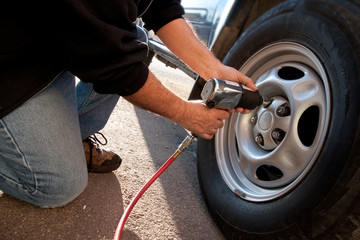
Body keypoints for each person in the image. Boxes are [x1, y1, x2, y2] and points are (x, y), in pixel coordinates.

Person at [0, 0, 257, 208]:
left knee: (135, 37)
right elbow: (114, 63)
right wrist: (184, 113)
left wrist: (214, 69)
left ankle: (62, 139)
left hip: (54, 40)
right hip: (15, 62)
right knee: (57, 186)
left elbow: (163, 9)